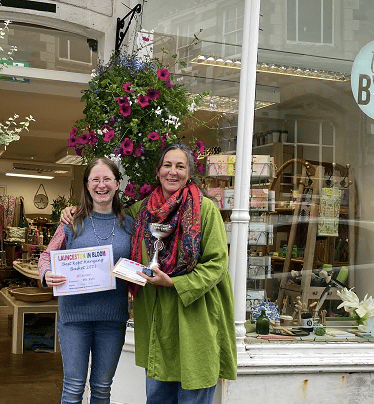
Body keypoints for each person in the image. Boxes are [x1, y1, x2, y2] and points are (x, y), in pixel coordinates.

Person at [62, 144, 237, 404]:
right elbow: (108, 219)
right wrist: (77, 211)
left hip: (195, 317)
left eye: (180, 166)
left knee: (194, 393)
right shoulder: (140, 212)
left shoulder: (206, 210)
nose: (173, 172)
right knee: (157, 396)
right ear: (158, 170)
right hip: (157, 319)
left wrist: (175, 282)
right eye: (167, 165)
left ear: (190, 172)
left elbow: (216, 265)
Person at [38, 157, 134, 404]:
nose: (101, 185)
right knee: (73, 388)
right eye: (95, 180)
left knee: (102, 388)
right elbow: (47, 255)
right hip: (74, 319)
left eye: (107, 179)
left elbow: (138, 263)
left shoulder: (130, 224)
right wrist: (46, 274)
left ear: (117, 184)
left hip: (112, 319)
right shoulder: (71, 221)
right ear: (87, 185)